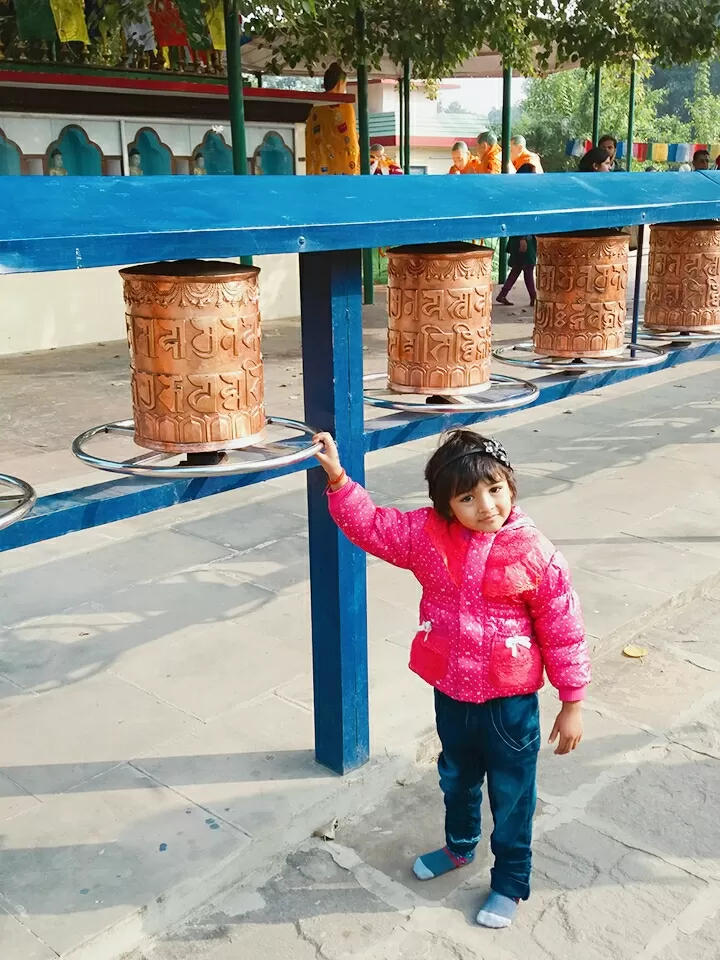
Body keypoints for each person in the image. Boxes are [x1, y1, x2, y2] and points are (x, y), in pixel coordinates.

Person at [313, 429, 590, 930]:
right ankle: (459, 848)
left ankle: (510, 880)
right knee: (456, 778)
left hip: (511, 705)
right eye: (467, 498)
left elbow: (563, 626)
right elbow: (373, 526)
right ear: (445, 506)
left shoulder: (536, 553)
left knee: (512, 794)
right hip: (453, 694)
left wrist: (572, 700)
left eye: (495, 489)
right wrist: (337, 477)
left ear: (511, 486)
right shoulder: (426, 537)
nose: (486, 506)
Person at [305, 62, 360, 176]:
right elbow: (350, 138)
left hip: (319, 162)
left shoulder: (315, 106)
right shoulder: (345, 106)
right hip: (342, 164)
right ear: (340, 83)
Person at [496, 163, 537, 307]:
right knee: (528, 267)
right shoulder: (522, 195)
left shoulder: (518, 192)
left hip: (521, 236)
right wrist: (523, 238)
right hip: (524, 237)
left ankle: (503, 294)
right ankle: (534, 297)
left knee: (518, 267)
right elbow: (520, 218)